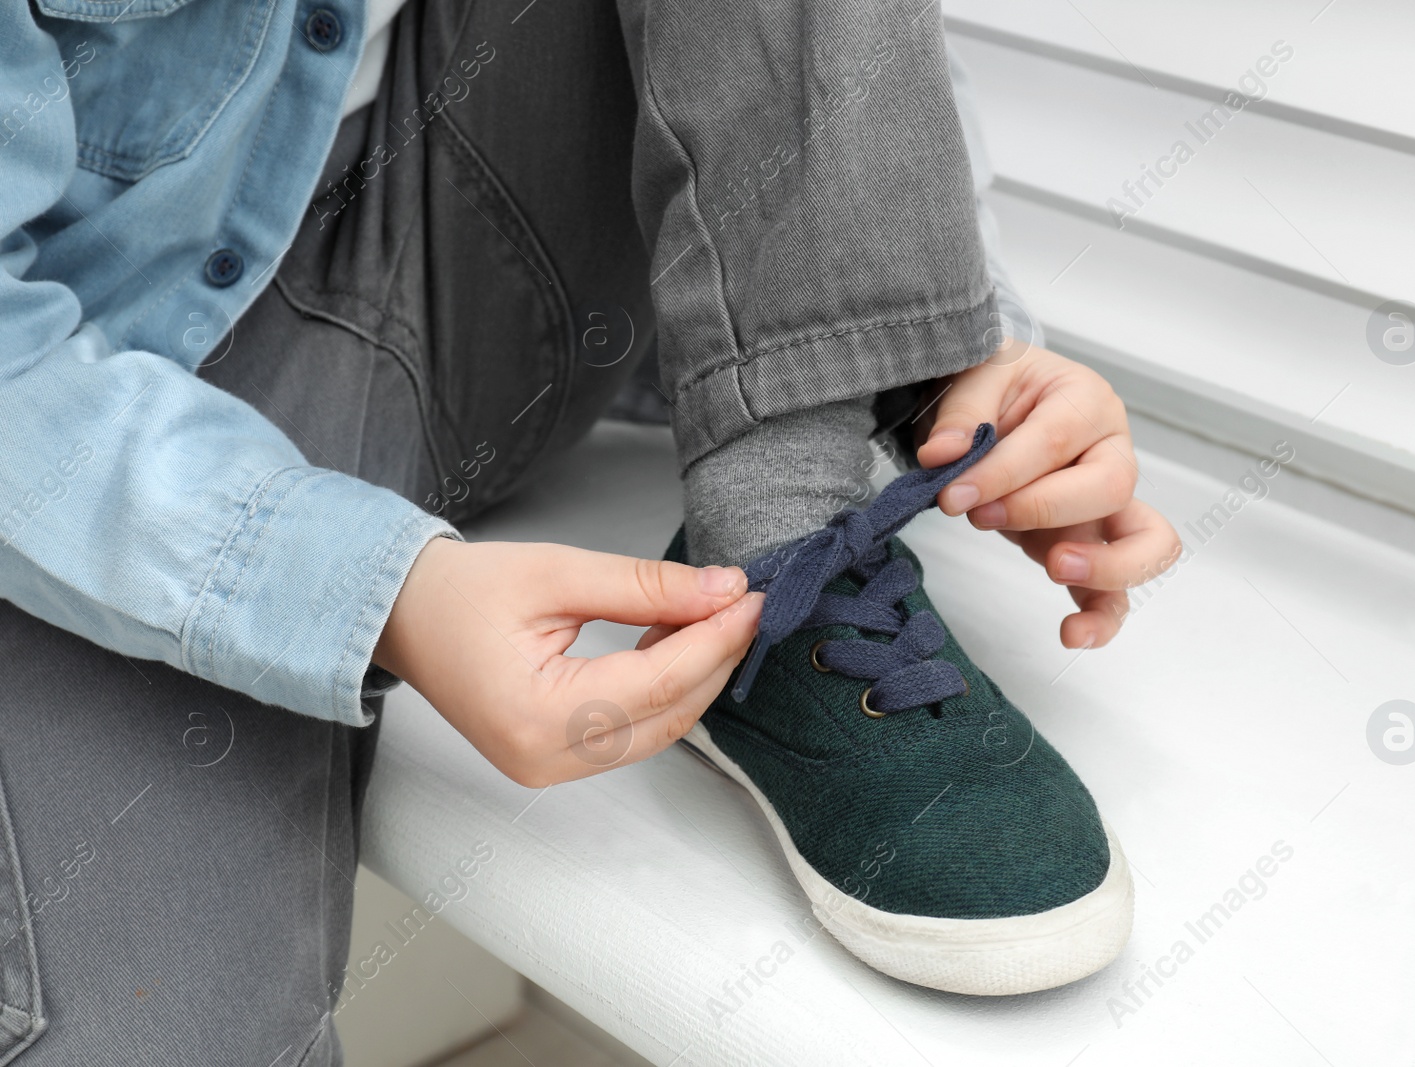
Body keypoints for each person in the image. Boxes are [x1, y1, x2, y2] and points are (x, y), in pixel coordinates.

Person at [0, 0, 1179, 1059]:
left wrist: (943, 356)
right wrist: (372, 589)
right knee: (158, 1029)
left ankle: (786, 523)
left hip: (492, 202)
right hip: (89, 371)